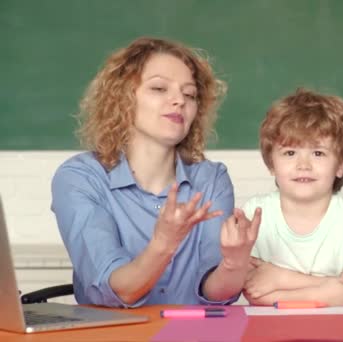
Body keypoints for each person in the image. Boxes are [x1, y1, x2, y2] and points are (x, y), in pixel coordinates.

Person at [51, 37, 260, 307]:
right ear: (122, 98)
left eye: (189, 94)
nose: (179, 101)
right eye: (159, 88)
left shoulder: (211, 179)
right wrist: (163, 243)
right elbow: (117, 290)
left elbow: (215, 295)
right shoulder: (80, 178)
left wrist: (234, 263)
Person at [241, 89, 343, 306]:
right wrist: (325, 293)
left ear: (342, 165)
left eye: (318, 153)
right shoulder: (256, 213)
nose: (303, 165)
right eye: (290, 153)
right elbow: (253, 292)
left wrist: (279, 278)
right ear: (271, 163)